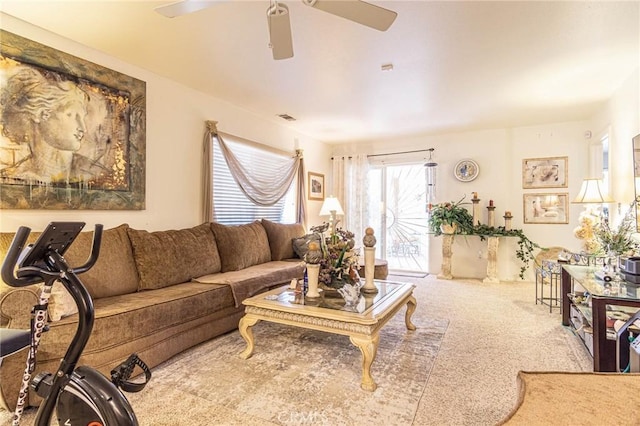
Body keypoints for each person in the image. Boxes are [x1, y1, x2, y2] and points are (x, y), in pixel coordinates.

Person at [1, 67, 90, 184]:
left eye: (82, 117)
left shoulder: (91, 171)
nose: (83, 128)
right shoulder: (14, 177)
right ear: (41, 114)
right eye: (70, 115)